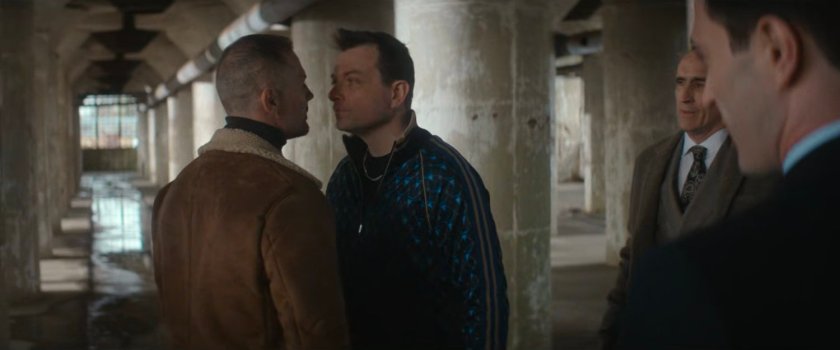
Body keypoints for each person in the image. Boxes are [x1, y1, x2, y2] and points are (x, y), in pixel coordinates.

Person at [618, 0, 840, 348]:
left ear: (777, 50)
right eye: (681, 82)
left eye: (711, 55)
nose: (708, 95)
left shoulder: (689, 279)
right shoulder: (651, 161)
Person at [151, 34, 349, 350]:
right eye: (302, 83)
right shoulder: (290, 199)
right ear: (271, 100)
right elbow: (314, 332)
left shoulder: (171, 194)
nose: (311, 95)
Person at [325, 29, 509, 350]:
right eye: (335, 80)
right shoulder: (345, 176)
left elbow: (483, 299)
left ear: (396, 94)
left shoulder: (444, 175)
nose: (333, 93)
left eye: (352, 81)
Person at [598, 50, 777, 349]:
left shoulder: (759, 165)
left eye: (699, 83)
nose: (685, 96)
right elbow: (633, 256)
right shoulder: (649, 161)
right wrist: (611, 331)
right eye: (680, 82)